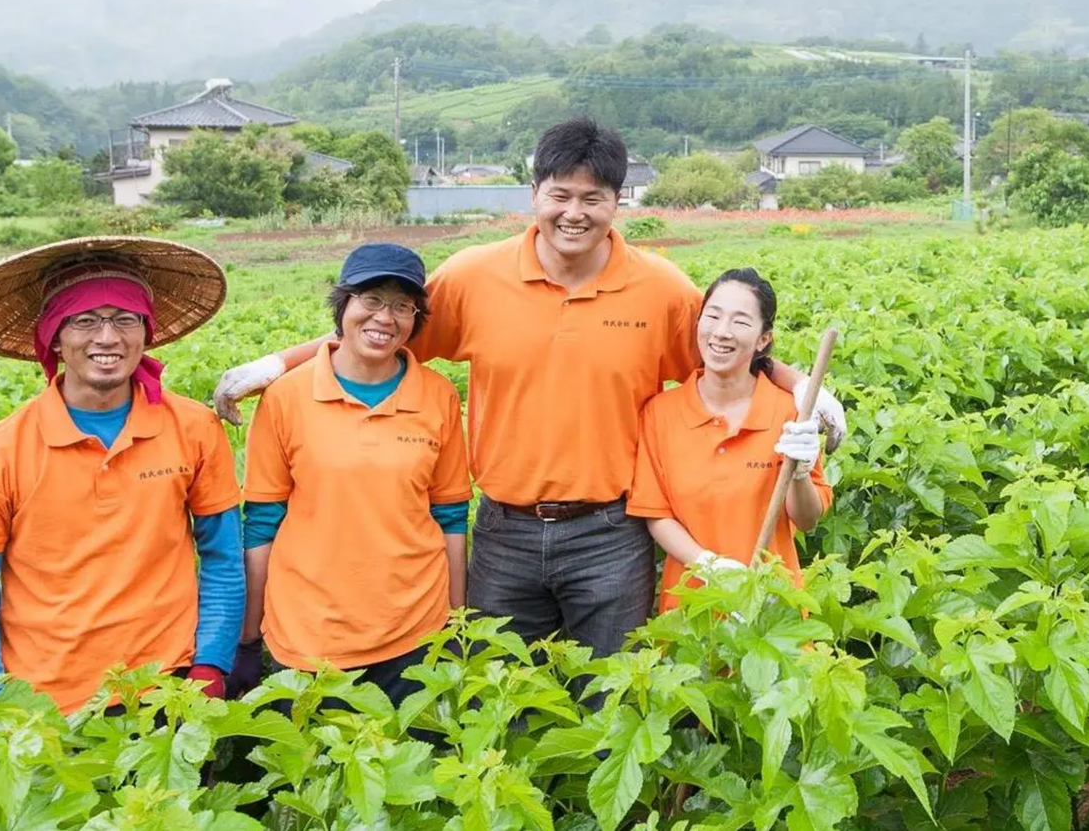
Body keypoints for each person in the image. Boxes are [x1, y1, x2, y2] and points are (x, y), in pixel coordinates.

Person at [212, 118, 847, 658]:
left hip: (612, 532)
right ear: (534, 193)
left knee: (611, 693)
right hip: (504, 530)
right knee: (502, 693)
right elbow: (379, 332)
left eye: (593, 198)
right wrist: (278, 365)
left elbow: (725, 351)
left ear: (618, 202)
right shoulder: (474, 277)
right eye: (560, 194)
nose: (574, 213)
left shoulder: (659, 289)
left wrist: (803, 387)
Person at [0, 237, 244, 715]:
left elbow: (223, 556)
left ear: (146, 332)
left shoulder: (195, 428)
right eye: (84, 320)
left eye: (125, 319)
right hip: (47, 705)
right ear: (54, 337)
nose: (107, 337)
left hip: (168, 687)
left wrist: (211, 662)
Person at [225, 243, 471, 706]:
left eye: (402, 306)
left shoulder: (438, 395)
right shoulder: (286, 397)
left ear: (416, 319)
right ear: (342, 306)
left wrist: (457, 625)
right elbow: (261, 523)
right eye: (371, 299)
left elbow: (451, 517)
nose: (385, 317)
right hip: (309, 634)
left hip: (415, 630)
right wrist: (248, 638)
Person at [628, 268, 833, 612]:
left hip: (772, 605)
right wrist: (707, 565)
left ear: (763, 339)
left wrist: (800, 473)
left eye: (740, 321)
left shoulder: (789, 412)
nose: (722, 331)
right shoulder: (660, 413)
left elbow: (807, 519)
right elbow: (656, 515)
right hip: (691, 608)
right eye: (713, 316)